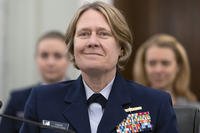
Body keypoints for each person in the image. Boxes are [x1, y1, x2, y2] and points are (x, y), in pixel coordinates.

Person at [20, 2, 178, 133]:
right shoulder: (42, 100)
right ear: (72, 46)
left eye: (103, 34)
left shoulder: (156, 103)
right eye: (84, 34)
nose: (92, 41)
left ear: (121, 48)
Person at [0, 31, 69, 133]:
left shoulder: (81, 96)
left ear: (70, 59)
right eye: (44, 55)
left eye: (58, 56)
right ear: (36, 58)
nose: (50, 62)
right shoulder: (17, 99)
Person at [133, 33, 198, 105]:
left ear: (178, 67)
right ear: (143, 66)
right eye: (152, 63)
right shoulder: (128, 106)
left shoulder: (193, 109)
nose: (158, 70)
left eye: (165, 63)